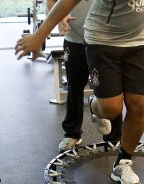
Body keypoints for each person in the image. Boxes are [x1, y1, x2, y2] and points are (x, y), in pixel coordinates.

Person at [15, 0, 144, 183]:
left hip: (139, 42)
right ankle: (94, 105)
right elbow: (66, 3)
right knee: (110, 109)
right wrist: (39, 35)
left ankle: (123, 163)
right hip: (103, 40)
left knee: (139, 105)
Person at [47, 0, 123, 153]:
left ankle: (114, 137)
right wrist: (60, 18)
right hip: (74, 39)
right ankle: (72, 133)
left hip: (104, 40)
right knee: (74, 87)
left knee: (110, 89)